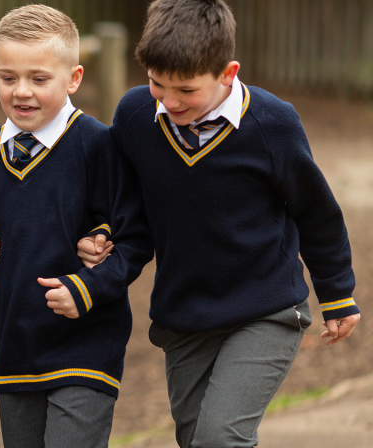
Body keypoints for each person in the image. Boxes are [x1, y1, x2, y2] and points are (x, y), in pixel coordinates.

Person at [84, 0, 361, 446]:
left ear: (228, 74)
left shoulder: (273, 123)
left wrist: (337, 294)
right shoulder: (135, 116)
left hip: (266, 309)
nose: (170, 101)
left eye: (186, 91)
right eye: (157, 84)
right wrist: (102, 231)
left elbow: (316, 211)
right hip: (185, 314)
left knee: (219, 438)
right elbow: (116, 196)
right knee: (195, 438)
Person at [0, 5, 153, 448]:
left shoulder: (99, 144)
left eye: (39, 79)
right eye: (7, 77)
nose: (21, 92)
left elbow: (137, 235)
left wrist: (88, 285)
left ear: (74, 78)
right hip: (14, 342)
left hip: (87, 343)